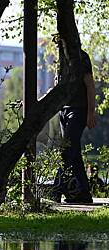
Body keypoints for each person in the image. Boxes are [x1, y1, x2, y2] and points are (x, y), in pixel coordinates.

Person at [52, 43, 97, 203]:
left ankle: (55, 191)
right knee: (74, 153)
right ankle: (84, 194)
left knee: (66, 150)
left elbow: (90, 84)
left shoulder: (81, 57)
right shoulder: (61, 60)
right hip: (63, 110)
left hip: (78, 110)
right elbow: (58, 87)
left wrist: (91, 112)